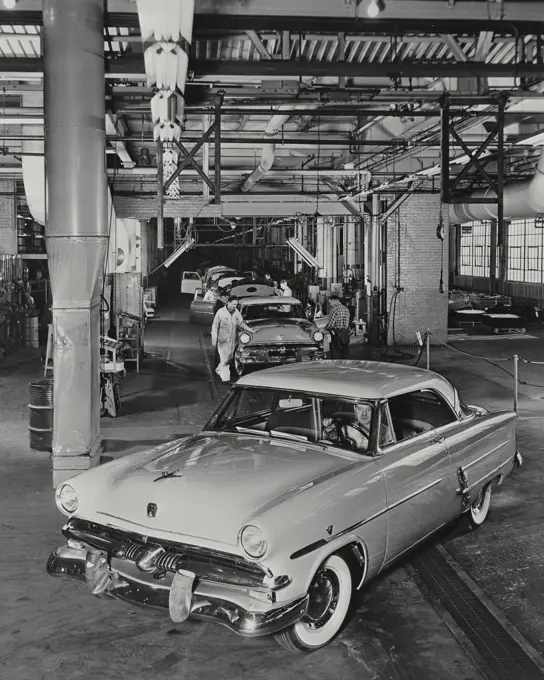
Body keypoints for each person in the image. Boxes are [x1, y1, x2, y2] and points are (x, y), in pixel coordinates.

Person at [211, 295, 254, 383]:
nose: (235, 306)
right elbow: (215, 326)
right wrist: (214, 340)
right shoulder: (220, 312)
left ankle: (219, 369)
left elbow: (241, 324)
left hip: (232, 341)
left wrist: (251, 330)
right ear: (228, 302)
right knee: (224, 359)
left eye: (236, 305)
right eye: (234, 304)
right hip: (222, 341)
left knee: (228, 359)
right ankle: (226, 379)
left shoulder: (236, 312)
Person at [325, 295, 351, 359]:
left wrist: (325, 328)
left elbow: (331, 324)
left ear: (335, 300)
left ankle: (336, 366)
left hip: (337, 333)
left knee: (336, 352)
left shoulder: (334, 309)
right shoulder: (346, 309)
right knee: (345, 351)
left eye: (330, 302)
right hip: (346, 333)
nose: (330, 304)